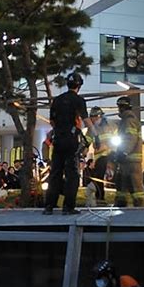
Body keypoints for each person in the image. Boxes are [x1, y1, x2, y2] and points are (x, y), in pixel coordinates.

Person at [43, 72, 97, 215]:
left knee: (55, 173)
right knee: (72, 174)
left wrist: (59, 129)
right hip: (71, 140)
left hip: (58, 139)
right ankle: (68, 207)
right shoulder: (79, 100)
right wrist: (95, 133)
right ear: (79, 86)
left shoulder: (57, 100)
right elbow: (86, 120)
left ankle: (49, 206)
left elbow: (52, 121)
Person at [113, 96, 144, 207]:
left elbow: (130, 138)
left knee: (136, 188)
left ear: (122, 107)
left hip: (131, 161)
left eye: (119, 107)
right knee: (122, 186)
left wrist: (124, 152)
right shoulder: (126, 120)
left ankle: (139, 209)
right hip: (127, 161)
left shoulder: (129, 121)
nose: (118, 110)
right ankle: (121, 205)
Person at [86, 106, 117, 203]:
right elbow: (87, 141)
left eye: (94, 117)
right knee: (98, 177)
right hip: (99, 156)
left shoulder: (110, 126)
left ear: (99, 116)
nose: (93, 120)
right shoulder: (91, 129)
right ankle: (100, 198)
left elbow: (116, 140)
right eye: (91, 117)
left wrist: (108, 147)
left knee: (101, 177)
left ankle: (100, 196)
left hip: (111, 155)